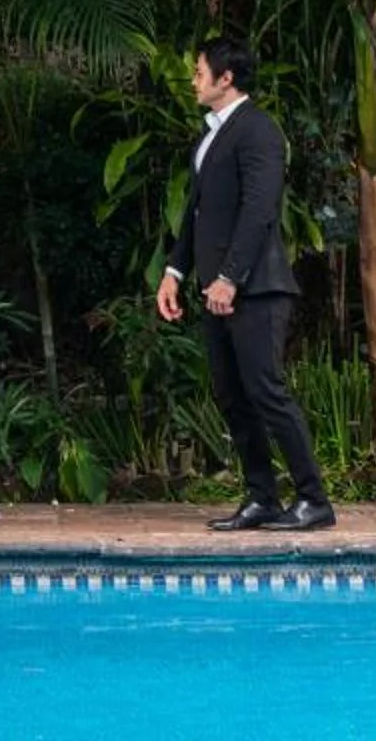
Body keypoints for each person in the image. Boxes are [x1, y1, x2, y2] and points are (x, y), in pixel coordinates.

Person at [157, 37, 335, 532]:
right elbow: (198, 214)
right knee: (232, 396)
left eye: (199, 72)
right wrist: (174, 272)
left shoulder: (258, 131)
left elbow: (259, 209)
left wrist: (229, 277)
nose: (193, 80)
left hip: (255, 289)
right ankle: (262, 497)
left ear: (226, 78)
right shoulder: (211, 135)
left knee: (266, 390)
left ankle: (313, 499)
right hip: (217, 289)